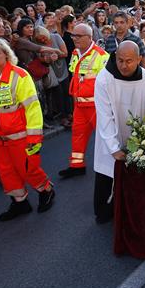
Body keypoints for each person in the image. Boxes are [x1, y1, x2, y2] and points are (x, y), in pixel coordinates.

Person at [0, 37, 55, 220]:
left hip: (19, 136)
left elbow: (32, 107)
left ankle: (46, 190)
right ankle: (20, 202)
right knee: (5, 172)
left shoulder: (19, 75)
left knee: (28, 169)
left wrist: (35, 136)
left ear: (6, 54)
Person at [93, 41, 145, 223]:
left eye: (129, 61)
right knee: (106, 172)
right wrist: (113, 147)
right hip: (110, 133)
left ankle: (129, 208)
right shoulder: (104, 78)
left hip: (137, 134)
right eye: (120, 60)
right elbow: (105, 116)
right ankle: (102, 210)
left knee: (134, 175)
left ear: (139, 59)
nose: (123, 65)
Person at [59, 24, 108, 178]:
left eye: (78, 36)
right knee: (78, 135)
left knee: (104, 138)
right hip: (80, 106)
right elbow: (76, 79)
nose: (74, 39)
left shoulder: (102, 56)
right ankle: (77, 165)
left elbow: (107, 85)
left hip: (95, 106)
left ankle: (109, 168)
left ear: (89, 37)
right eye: (74, 36)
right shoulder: (75, 53)